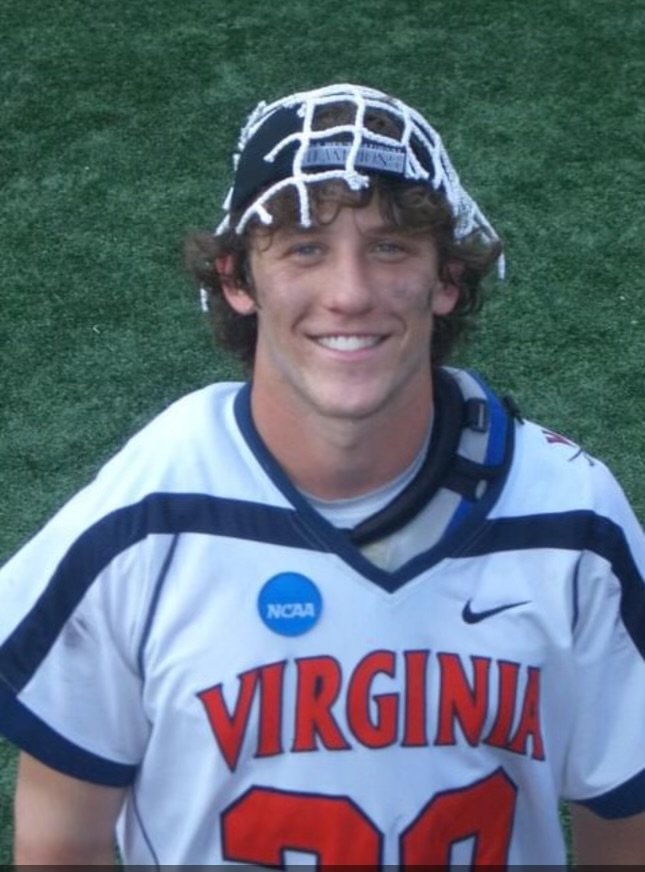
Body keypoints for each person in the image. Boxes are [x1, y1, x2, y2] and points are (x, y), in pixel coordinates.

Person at [0, 83, 643, 867]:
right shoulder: (146, 516)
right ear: (238, 278)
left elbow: (628, 833)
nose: (349, 293)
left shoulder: (569, 517)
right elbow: (60, 844)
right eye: (304, 246)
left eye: (391, 247)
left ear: (445, 279)